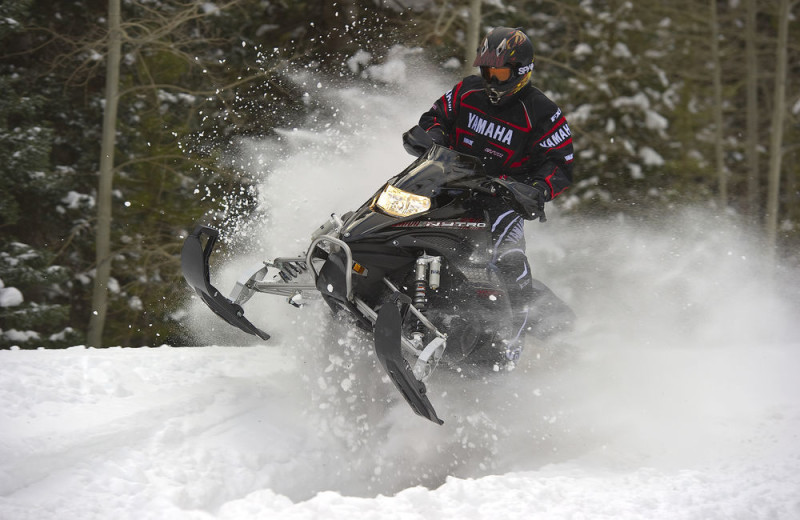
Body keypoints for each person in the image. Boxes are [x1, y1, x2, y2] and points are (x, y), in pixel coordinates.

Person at [405, 26, 574, 362]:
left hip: (503, 200)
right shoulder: (467, 92)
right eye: (487, 72)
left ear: (522, 71)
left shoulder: (542, 112)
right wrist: (433, 137)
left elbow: (559, 164)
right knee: (395, 211)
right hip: (447, 182)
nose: (492, 81)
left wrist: (537, 189)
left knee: (509, 259)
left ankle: (511, 342)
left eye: (500, 73)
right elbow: (435, 118)